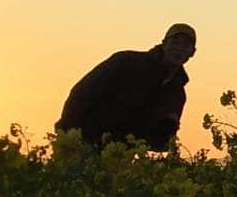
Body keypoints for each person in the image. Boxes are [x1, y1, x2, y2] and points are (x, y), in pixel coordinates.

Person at [55, 23, 196, 150]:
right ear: (164, 44)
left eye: (185, 45)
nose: (179, 49)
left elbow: (159, 142)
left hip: (119, 158)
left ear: (192, 52)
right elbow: (82, 93)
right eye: (175, 42)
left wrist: (166, 132)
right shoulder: (126, 61)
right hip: (81, 142)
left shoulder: (177, 94)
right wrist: (67, 133)